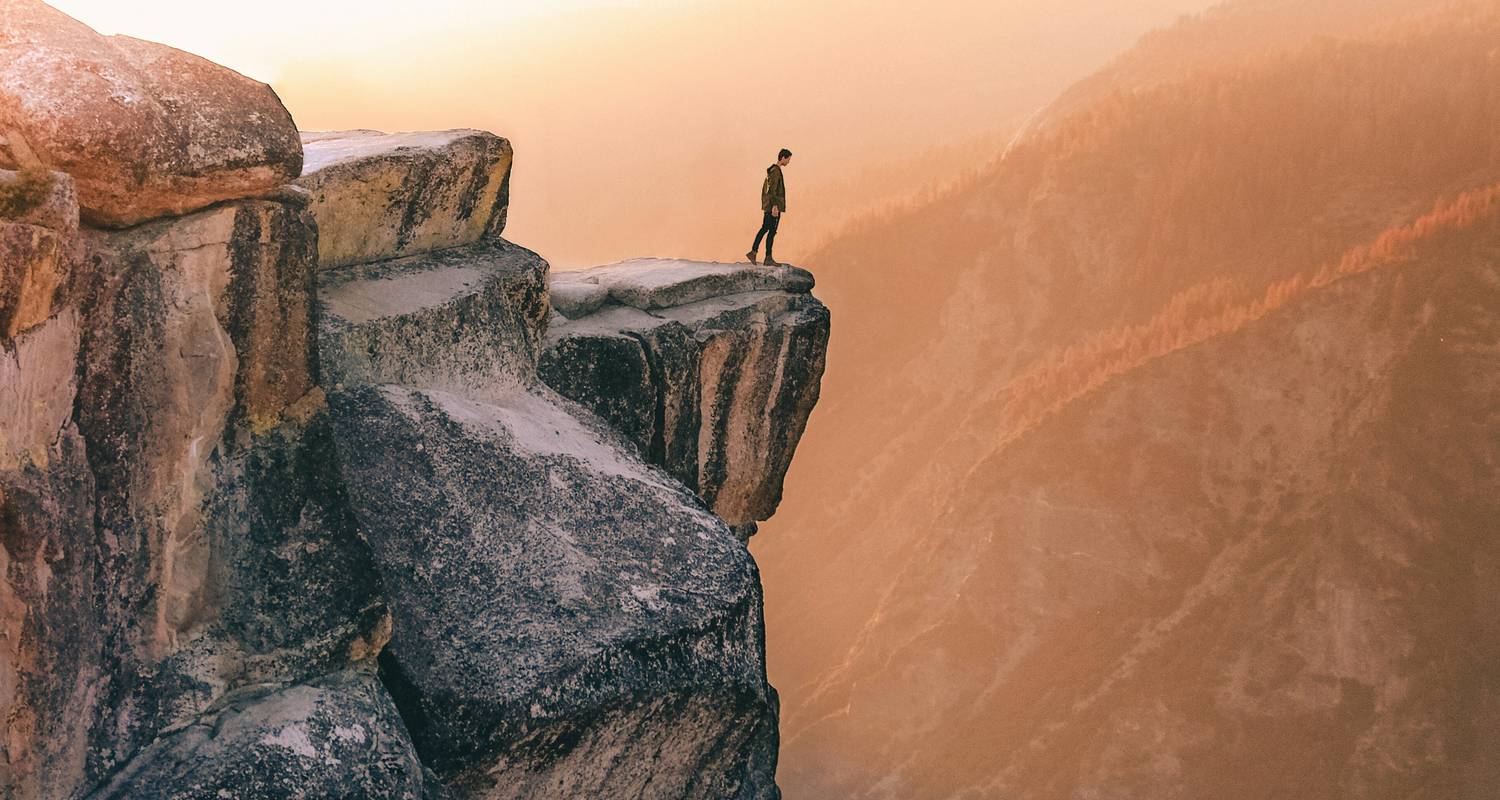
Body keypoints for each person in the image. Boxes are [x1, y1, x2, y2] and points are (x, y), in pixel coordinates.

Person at [748, 148, 792, 266]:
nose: (788, 162)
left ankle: (754, 251)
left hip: (769, 205)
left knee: (765, 228)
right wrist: (775, 206)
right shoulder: (776, 171)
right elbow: (773, 190)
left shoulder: (771, 171)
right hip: (773, 206)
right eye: (788, 159)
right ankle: (768, 257)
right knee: (771, 231)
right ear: (783, 157)